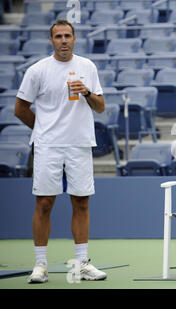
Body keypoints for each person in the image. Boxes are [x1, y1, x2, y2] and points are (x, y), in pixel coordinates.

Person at [14, 19, 107, 283]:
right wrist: (43, 129)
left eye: (68, 36)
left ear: (75, 39)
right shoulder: (37, 70)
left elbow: (100, 107)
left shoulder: (87, 67)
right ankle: (40, 265)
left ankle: (82, 264)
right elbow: (20, 109)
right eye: (58, 36)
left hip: (79, 144)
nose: (63, 40)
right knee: (44, 203)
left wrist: (87, 92)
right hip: (48, 146)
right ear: (51, 40)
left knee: (82, 201)